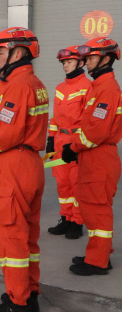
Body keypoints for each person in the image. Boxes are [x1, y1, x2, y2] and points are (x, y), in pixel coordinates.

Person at [0, 27, 47, 312]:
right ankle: (29, 293)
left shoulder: (17, 86)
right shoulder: (35, 83)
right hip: (30, 164)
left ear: (18, 53)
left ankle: (19, 302)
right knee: (28, 238)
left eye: (1, 52)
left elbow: (4, 136)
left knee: (10, 237)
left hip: (13, 166)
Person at [62, 37, 122, 276]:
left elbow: (96, 131)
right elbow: (88, 126)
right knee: (90, 206)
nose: (86, 62)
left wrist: (74, 147)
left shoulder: (107, 89)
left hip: (100, 156)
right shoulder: (98, 87)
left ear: (106, 59)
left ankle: (98, 261)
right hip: (93, 155)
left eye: (91, 58)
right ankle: (98, 254)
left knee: (98, 209)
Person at [46, 46, 90, 239]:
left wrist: (80, 145)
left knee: (76, 185)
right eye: (64, 62)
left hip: (76, 143)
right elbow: (55, 116)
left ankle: (77, 222)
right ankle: (65, 218)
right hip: (59, 142)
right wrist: (50, 138)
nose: (65, 65)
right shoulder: (60, 88)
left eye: (69, 62)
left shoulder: (88, 87)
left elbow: (89, 121)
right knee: (63, 184)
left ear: (81, 63)